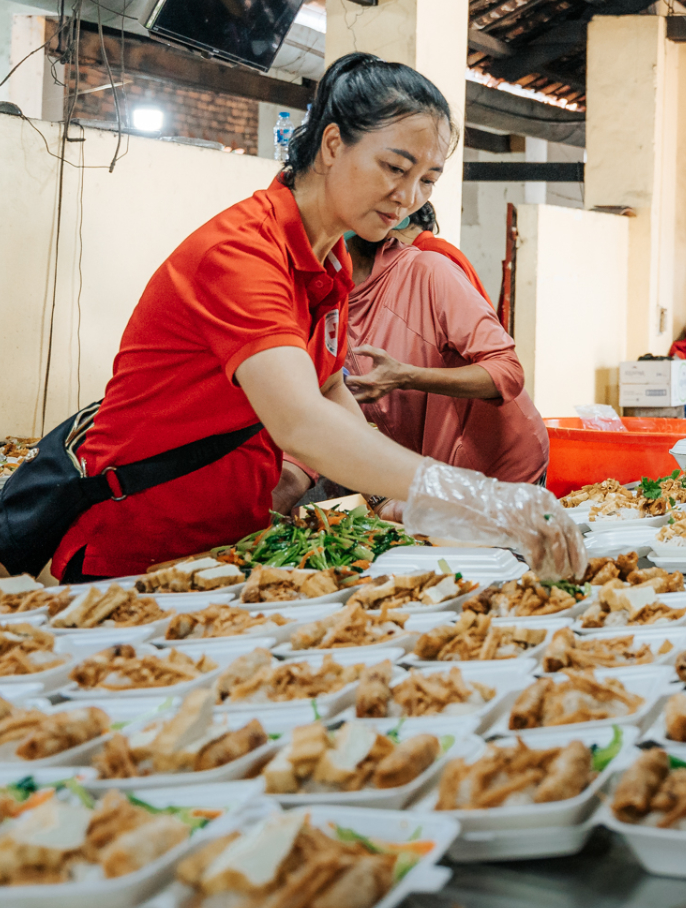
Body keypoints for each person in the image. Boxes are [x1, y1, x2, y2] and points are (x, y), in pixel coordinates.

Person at [51, 52, 582, 582]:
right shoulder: (243, 252)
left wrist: (392, 499)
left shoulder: (329, 264)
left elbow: (330, 392)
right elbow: (300, 421)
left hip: (224, 545)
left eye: (427, 180)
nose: (407, 197)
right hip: (136, 544)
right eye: (395, 168)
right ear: (332, 145)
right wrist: (473, 495)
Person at [343, 209, 550, 485]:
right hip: (433, 475)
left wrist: (406, 376)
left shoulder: (430, 266)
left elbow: (506, 371)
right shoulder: (322, 301)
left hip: (499, 469)